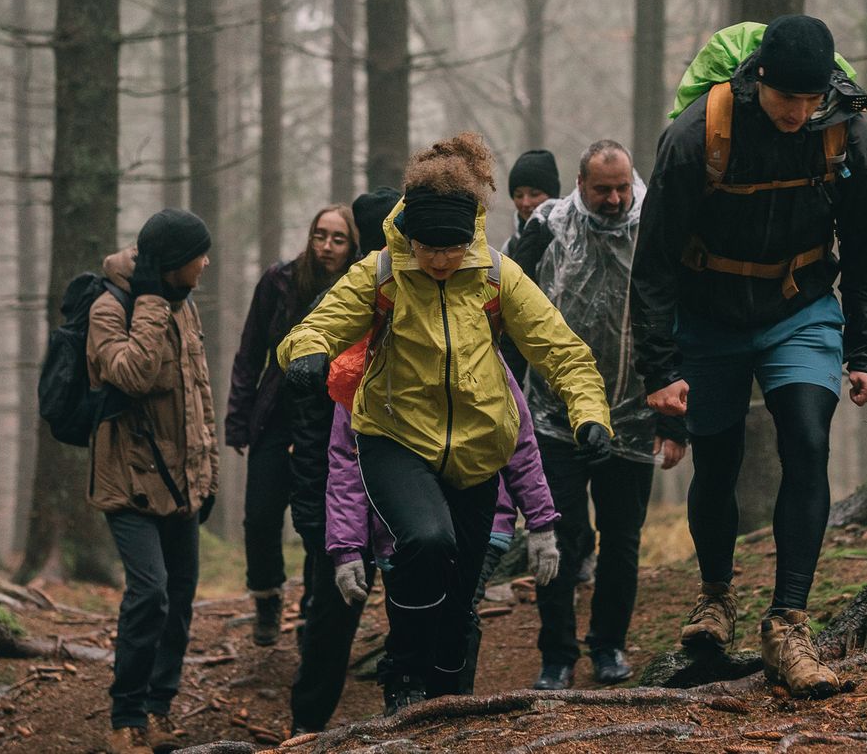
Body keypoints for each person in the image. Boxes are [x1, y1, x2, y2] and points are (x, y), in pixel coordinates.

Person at [277, 132, 612, 713]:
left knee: (460, 595)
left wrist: (589, 415)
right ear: (410, 234)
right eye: (428, 248)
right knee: (428, 540)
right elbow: (318, 325)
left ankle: (449, 696)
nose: (439, 260)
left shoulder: (494, 275)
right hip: (393, 440)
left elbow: (559, 348)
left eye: (450, 248)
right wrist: (304, 355)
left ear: (470, 234)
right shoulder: (380, 273)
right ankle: (403, 675)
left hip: (477, 454)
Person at [631, 15, 867, 698]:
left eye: (812, 101)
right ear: (759, 81)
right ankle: (716, 596)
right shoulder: (697, 137)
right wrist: (658, 372)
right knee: (717, 458)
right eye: (788, 101)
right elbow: (655, 261)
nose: (800, 114)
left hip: (799, 306)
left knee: (807, 439)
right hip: (708, 314)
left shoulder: (846, 133)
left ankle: (788, 624)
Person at [511, 139, 686, 689]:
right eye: (601, 189)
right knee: (555, 537)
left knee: (622, 541)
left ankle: (608, 646)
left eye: (620, 187)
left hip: (637, 412)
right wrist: (508, 402)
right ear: (580, 184)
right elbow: (506, 309)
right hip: (553, 414)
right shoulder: (548, 226)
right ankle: (556, 654)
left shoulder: (658, 222)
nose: (613, 199)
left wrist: (674, 422)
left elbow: (680, 319)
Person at [322, 368, 559, 696]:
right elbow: (347, 460)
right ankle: (405, 695)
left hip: (482, 520)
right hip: (397, 531)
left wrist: (541, 521)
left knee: (458, 613)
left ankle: (451, 703)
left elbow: (519, 436)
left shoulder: (478, 349)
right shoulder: (363, 363)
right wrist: (346, 548)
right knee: (411, 610)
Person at [89, 209, 220, 754]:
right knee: (151, 594)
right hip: (128, 483)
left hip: (182, 483)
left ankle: (159, 709)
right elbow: (134, 375)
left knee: (181, 598)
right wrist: (148, 303)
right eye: (198, 256)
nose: (206, 263)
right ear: (172, 264)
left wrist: (207, 473)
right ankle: (126, 719)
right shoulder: (108, 308)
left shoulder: (184, 307)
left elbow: (198, 394)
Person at [282, 187, 399, 735]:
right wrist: (314, 508)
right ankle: (308, 725)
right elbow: (309, 421)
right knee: (330, 618)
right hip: (342, 498)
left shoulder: (421, 296)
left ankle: (404, 715)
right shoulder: (341, 307)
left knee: (357, 616)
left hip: (385, 495)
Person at [227, 206, 358, 645]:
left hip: (328, 422)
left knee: (317, 523)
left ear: (351, 244)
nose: (326, 246)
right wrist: (238, 419)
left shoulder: (358, 286)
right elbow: (250, 353)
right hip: (275, 416)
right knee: (260, 516)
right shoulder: (279, 280)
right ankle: (267, 597)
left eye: (338, 238)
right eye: (320, 235)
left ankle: (312, 613)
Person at [501, 149, 561, 387]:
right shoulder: (512, 245)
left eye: (535, 194)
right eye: (518, 195)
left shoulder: (568, 237)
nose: (526, 203)